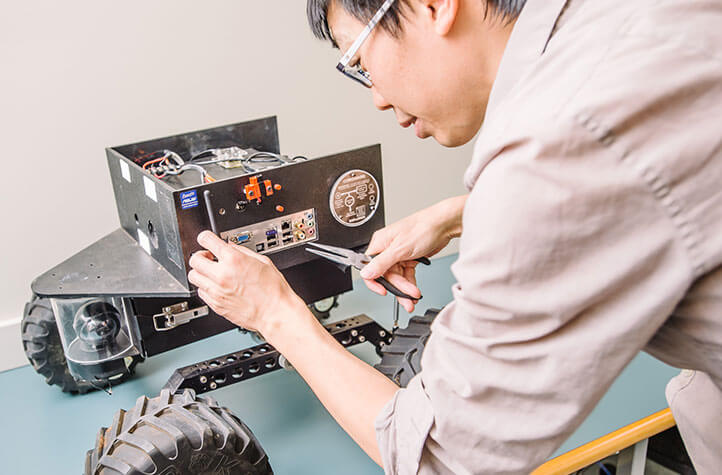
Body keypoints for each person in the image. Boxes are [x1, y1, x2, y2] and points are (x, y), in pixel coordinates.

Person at [188, 0, 722, 472]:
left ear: (434, 5)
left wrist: (273, 313)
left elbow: (443, 456)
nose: (374, 96)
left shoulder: (557, 145)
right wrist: (462, 214)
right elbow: (641, 178)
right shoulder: (623, 25)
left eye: (360, 60)